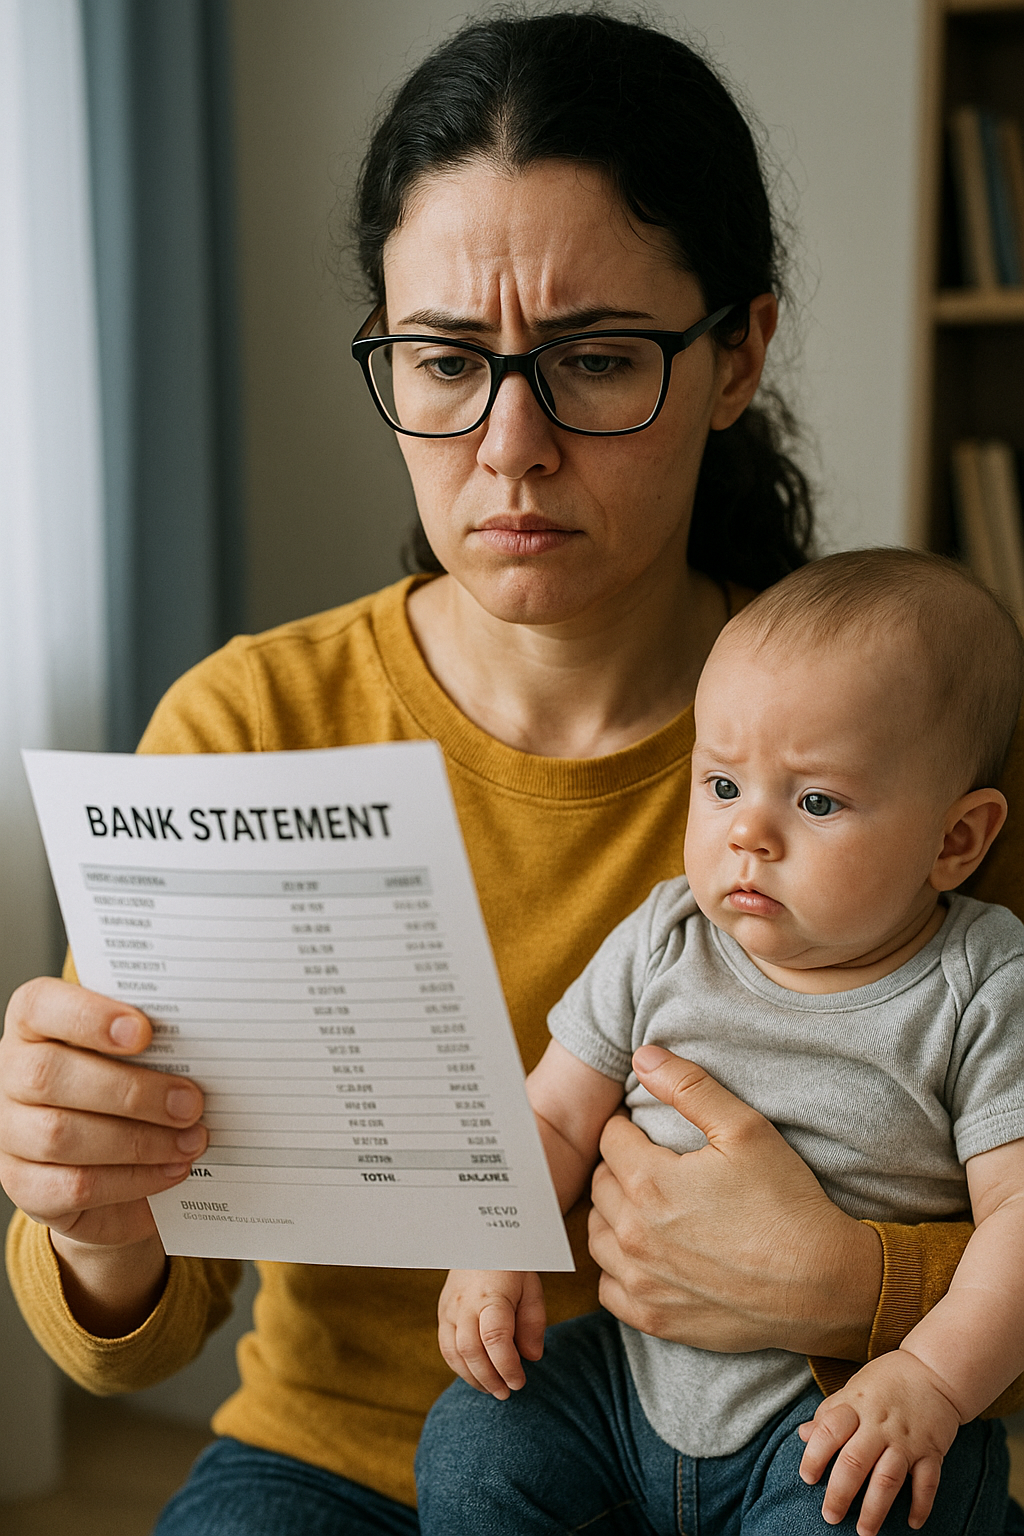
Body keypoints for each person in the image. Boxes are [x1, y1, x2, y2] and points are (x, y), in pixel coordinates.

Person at [1, 14, 1023, 1534]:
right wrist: (92, 1208)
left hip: (799, 1460)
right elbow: (136, 1332)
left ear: (737, 353)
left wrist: (849, 1283)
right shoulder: (251, 724)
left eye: (596, 360)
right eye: (444, 362)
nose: (512, 445)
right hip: (337, 1460)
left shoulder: (913, 760)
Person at [418, 549, 1024, 1536]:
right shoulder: (663, 936)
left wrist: (932, 1378)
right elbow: (554, 1114)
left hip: (846, 1408)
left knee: (872, 1507)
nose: (749, 834)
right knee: (476, 1446)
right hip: (628, 1382)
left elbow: (1019, 1219)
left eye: (816, 801)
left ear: (955, 841)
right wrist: (495, 1241)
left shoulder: (983, 985)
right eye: (723, 784)